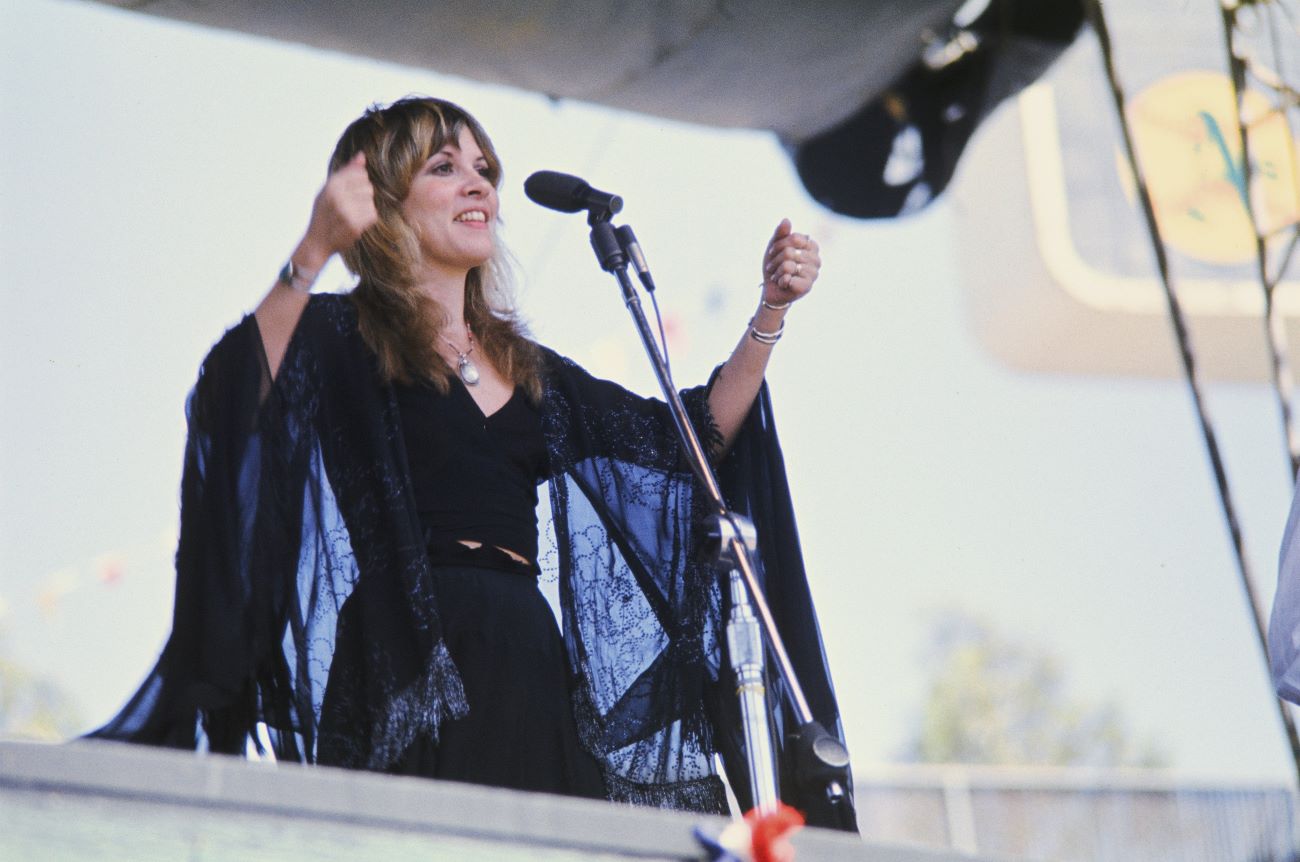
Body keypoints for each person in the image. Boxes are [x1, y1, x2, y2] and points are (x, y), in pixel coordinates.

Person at [91, 96, 852, 826]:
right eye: (445, 167)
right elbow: (236, 387)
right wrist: (314, 248)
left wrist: (769, 313)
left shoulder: (528, 367)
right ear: (385, 200)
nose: (479, 182)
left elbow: (690, 440)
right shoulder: (341, 333)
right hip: (408, 655)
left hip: (525, 650)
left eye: (484, 167)